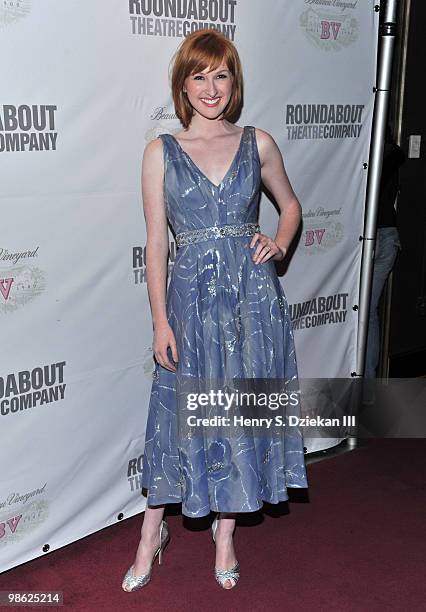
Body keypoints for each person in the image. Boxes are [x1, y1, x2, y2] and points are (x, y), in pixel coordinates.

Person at [122, 28, 308, 592]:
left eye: (220, 75)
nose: (210, 87)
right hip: (191, 303)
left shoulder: (260, 143)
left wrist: (278, 242)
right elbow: (157, 243)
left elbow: (292, 206)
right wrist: (159, 320)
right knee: (174, 416)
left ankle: (225, 535)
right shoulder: (162, 151)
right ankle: (150, 535)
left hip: (253, 302)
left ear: (235, 82)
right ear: (183, 85)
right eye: (198, 76)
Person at [363, 122, 405, 397]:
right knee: (368, 313)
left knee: (362, 313)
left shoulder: (371, 156)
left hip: (370, 238)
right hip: (387, 236)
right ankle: (367, 389)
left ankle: (364, 389)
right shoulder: (393, 153)